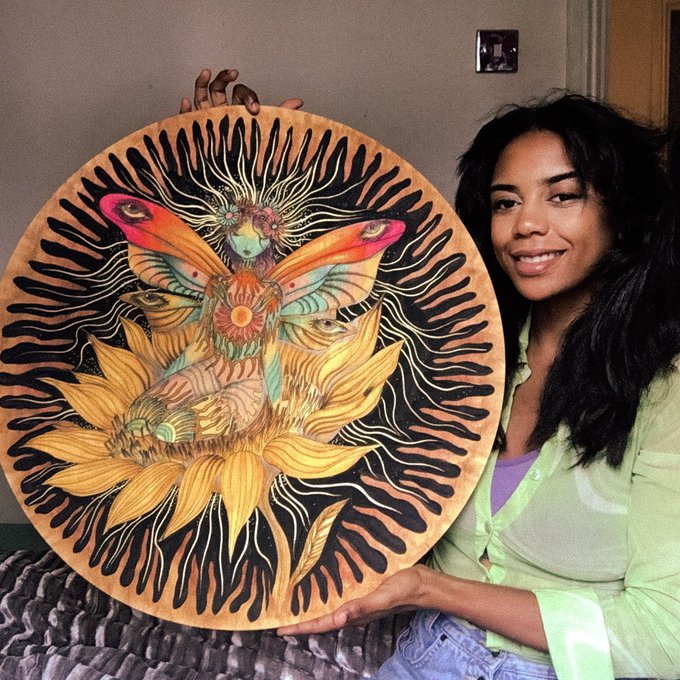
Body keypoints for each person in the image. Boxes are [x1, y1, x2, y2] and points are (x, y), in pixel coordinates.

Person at [182, 70, 680, 680]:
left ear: (622, 215)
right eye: (505, 202)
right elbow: (263, 346)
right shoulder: (451, 357)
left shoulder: (665, 392)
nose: (526, 225)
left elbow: (665, 639)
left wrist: (431, 588)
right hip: (428, 655)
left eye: (562, 196)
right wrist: (221, 172)